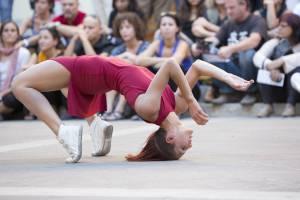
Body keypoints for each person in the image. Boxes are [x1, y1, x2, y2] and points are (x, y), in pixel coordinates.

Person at [12, 54, 253, 163]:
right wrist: (229, 77)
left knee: (20, 83)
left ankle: (63, 132)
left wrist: (191, 101)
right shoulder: (174, 105)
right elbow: (198, 66)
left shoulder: (149, 109)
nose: (188, 146)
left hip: (94, 70)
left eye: (181, 149)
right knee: (61, 84)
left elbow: (170, 65)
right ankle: (96, 125)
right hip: (101, 71)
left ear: (169, 137)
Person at [206, 0, 268, 105]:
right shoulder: (228, 23)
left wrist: (231, 48)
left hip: (250, 68)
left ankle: (251, 92)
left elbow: (254, 40)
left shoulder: (257, 20)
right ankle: (228, 93)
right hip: (232, 66)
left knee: (247, 54)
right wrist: (199, 46)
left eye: (232, 8)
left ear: (243, 5)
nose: (228, 12)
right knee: (210, 55)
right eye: (227, 8)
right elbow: (215, 40)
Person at [104, 12, 149, 121]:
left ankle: (119, 110)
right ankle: (109, 110)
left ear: (136, 28)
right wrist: (124, 57)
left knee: (128, 72)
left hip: (142, 86)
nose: (124, 30)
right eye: (121, 28)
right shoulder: (118, 49)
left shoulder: (146, 46)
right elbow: (109, 65)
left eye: (128, 27)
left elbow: (139, 64)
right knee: (111, 75)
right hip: (120, 87)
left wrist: (125, 59)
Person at [253, 13, 300, 117]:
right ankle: (268, 105)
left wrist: (283, 61)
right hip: (277, 84)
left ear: (294, 27)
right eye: (279, 25)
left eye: (283, 26)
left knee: (297, 70)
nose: (279, 29)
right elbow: (257, 57)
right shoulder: (277, 42)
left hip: (296, 91)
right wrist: (271, 66)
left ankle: (290, 106)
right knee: (263, 69)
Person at [0, 21, 31, 119]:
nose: (9, 33)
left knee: (13, 97)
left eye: (13, 30)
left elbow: (20, 80)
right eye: (6, 30)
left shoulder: (23, 53)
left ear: (18, 35)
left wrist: (1, 94)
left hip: (10, 92)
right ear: (1, 34)